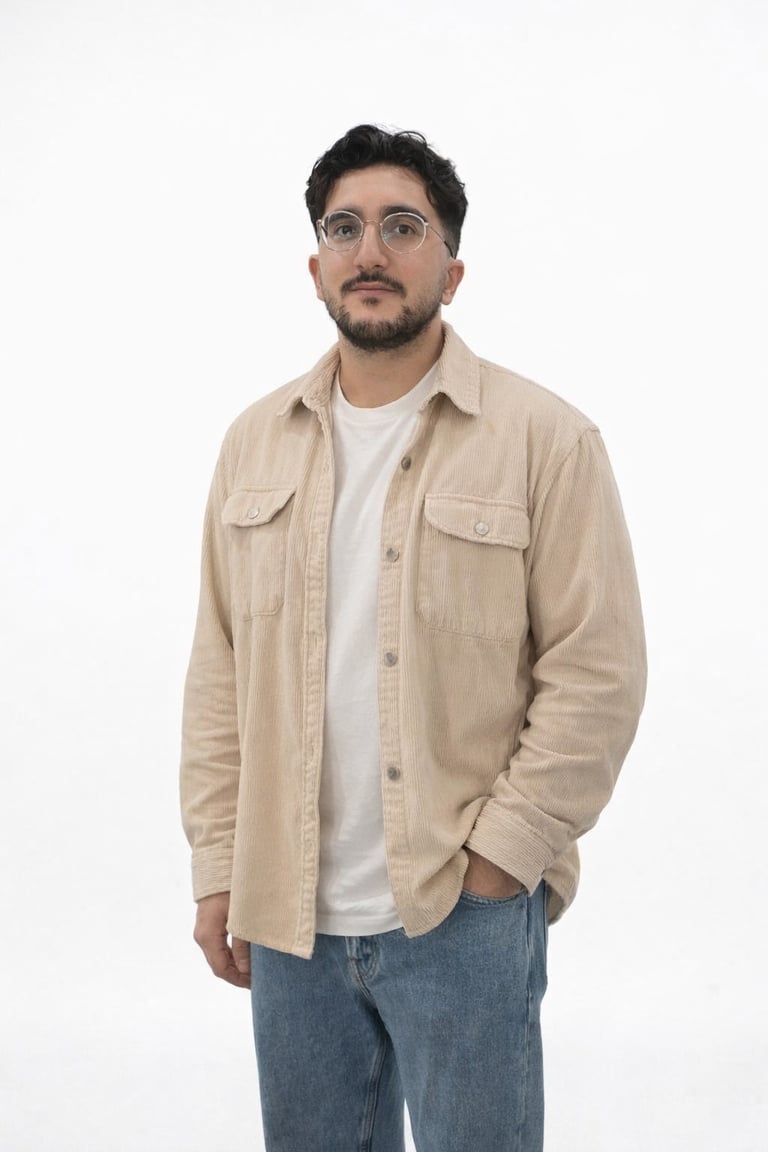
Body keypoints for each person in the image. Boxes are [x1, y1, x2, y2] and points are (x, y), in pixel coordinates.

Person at [180, 124, 646, 1152]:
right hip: (286, 914)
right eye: (343, 228)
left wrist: (501, 860)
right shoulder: (253, 443)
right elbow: (219, 673)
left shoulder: (546, 439)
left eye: (403, 226)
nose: (370, 251)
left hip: (459, 913)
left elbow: (599, 673)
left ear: (452, 267)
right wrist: (219, 863)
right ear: (315, 267)